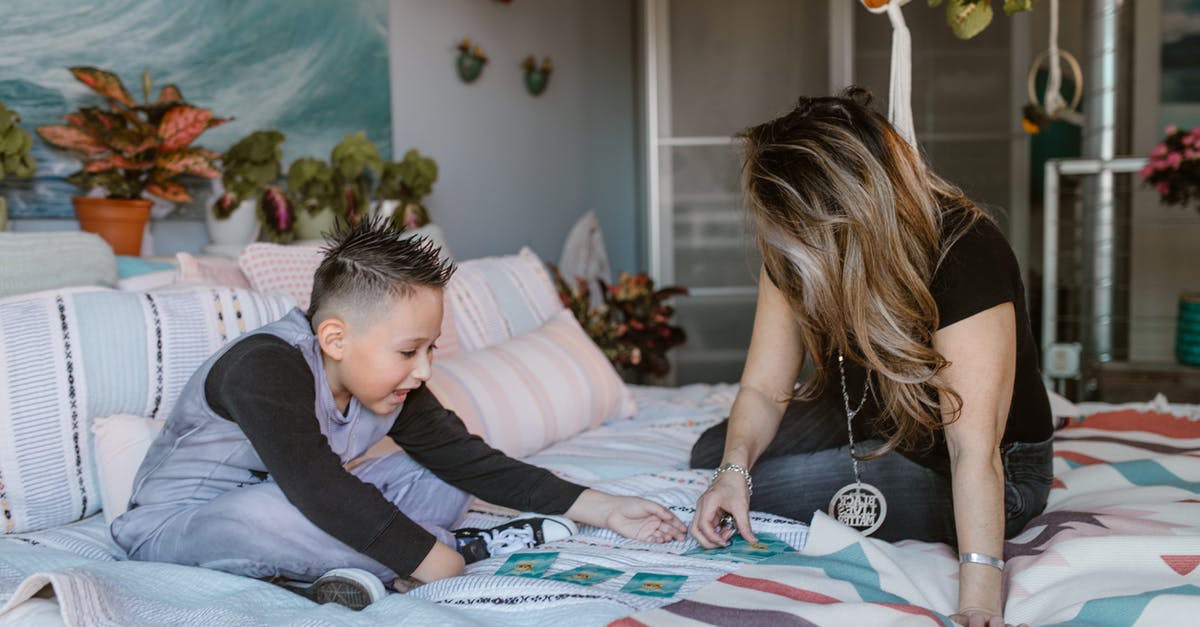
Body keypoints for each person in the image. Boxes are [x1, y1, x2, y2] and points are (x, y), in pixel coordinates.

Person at [112, 217, 687, 610]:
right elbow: (314, 487)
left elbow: (469, 459)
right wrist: (439, 557)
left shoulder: (387, 385)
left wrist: (605, 506)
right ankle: (435, 553)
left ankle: (354, 573)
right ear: (335, 338)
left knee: (437, 475)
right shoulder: (264, 366)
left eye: (431, 349)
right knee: (293, 509)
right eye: (409, 351)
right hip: (177, 525)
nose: (424, 370)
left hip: (300, 501)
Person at [689, 88, 1051, 627]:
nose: (784, 245)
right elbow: (764, 388)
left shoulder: (965, 249)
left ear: (845, 216)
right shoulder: (795, 245)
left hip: (980, 465)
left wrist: (978, 602)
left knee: (770, 488)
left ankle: (863, 462)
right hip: (870, 409)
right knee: (714, 455)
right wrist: (732, 470)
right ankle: (855, 453)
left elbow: (972, 453)